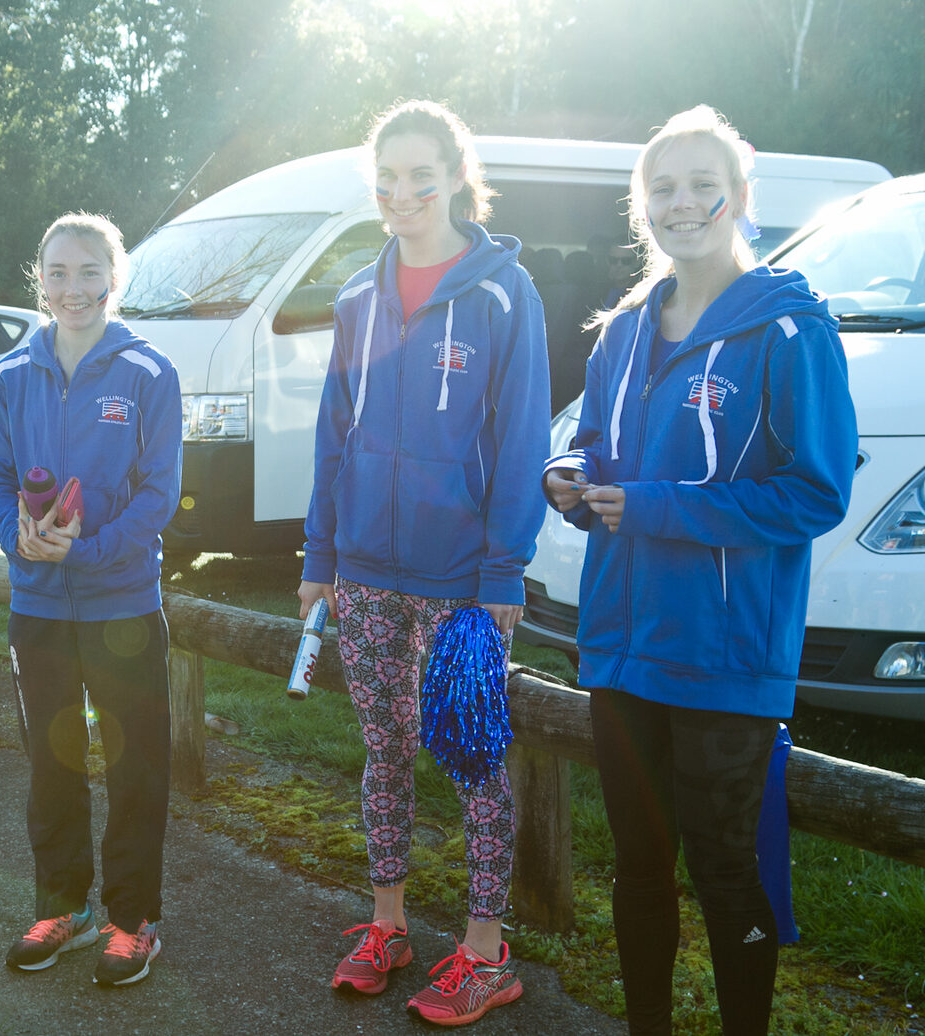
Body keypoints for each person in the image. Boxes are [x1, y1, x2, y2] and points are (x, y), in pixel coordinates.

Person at [542, 106, 856, 1035]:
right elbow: (597, 444)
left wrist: (657, 505)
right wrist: (568, 473)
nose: (682, 203)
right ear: (642, 207)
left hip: (725, 656)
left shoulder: (791, 331)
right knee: (639, 867)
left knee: (725, 871)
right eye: (663, 188)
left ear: (741, 196)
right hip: (621, 645)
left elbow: (816, 494)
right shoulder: (621, 332)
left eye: (701, 185)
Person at [298, 99, 549, 1026]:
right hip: (365, 571)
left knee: (473, 759)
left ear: (455, 178)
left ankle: (485, 951)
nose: (402, 195)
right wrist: (321, 553)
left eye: (420, 177)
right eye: (387, 180)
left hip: (462, 582)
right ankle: (388, 926)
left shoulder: (502, 294)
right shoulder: (357, 300)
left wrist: (502, 569)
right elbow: (333, 435)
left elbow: (521, 438)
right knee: (385, 752)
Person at [0, 212, 182, 988]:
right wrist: (18, 539)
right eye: (58, 272)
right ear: (40, 278)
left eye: (89, 272)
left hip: (122, 606)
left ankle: (134, 922)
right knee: (51, 765)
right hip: (37, 606)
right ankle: (64, 908)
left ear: (114, 279)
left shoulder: (149, 372)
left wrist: (88, 552)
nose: (73, 288)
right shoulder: (11, 373)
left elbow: (159, 495)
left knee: (136, 769)